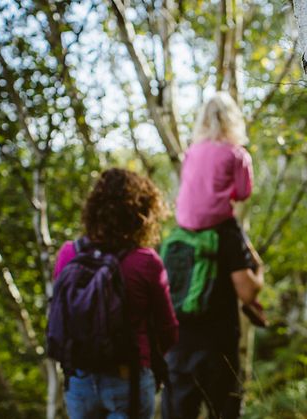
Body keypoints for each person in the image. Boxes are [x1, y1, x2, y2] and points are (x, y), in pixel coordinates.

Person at [162, 92, 265, 419]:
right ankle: (258, 311)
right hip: (215, 347)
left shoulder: (192, 152)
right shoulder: (236, 156)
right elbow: (244, 192)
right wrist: (258, 273)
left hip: (178, 346)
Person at [52, 168, 179, 419]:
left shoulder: (68, 253)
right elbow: (168, 330)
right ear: (142, 213)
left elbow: (59, 316)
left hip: (79, 381)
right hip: (128, 378)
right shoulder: (146, 261)